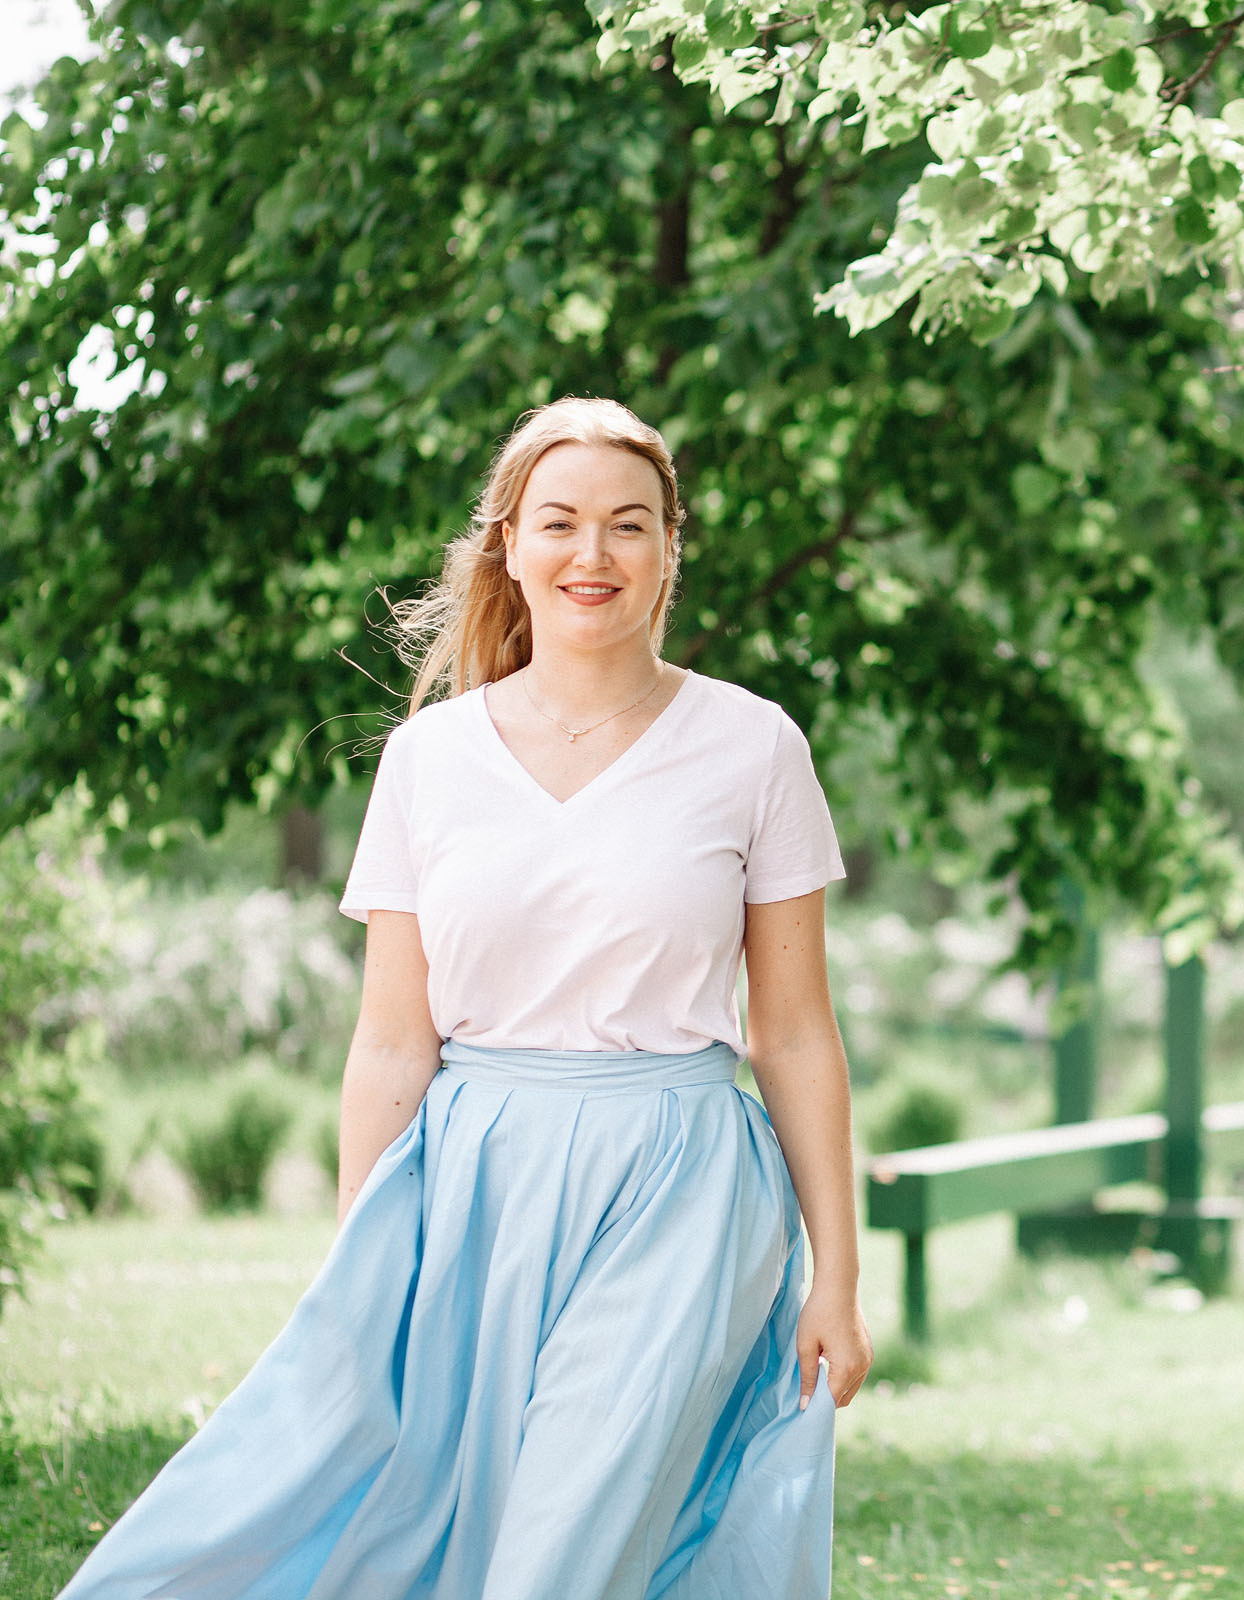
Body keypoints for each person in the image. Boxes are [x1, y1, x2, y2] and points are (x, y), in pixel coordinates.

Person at [63, 397, 872, 1600]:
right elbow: (394, 1041)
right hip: (477, 1182)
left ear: (670, 550)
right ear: (509, 544)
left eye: (629, 524)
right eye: (560, 521)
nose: (594, 552)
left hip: (684, 1185)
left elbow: (795, 1032)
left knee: (565, 1539)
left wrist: (836, 1279)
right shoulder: (428, 760)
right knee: (445, 1534)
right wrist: (360, 1271)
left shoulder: (754, 747)